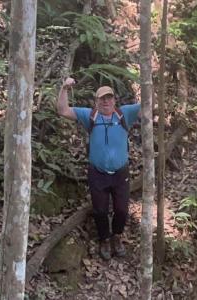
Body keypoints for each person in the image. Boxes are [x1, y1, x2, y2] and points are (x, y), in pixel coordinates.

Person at [57, 77, 140, 260]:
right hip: (98, 174)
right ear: (97, 102)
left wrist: (152, 84)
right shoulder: (90, 116)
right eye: (102, 99)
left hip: (121, 173)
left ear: (114, 100)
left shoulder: (124, 114)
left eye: (109, 98)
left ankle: (117, 237)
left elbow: (150, 106)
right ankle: (104, 239)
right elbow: (62, 110)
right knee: (100, 210)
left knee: (121, 210)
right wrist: (64, 88)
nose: (106, 102)